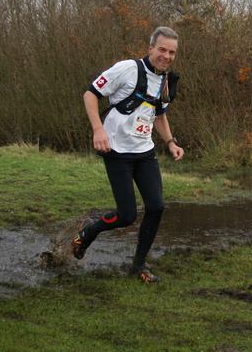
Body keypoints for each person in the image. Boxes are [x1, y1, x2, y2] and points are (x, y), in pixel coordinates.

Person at [72, 26, 184, 284]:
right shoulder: (127, 69)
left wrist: (170, 142)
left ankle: (138, 266)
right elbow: (90, 94)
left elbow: (159, 114)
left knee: (156, 207)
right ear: (150, 49)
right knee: (127, 216)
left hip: (145, 152)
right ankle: (91, 228)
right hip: (116, 151)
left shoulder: (166, 81)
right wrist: (97, 130)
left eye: (172, 52)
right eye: (162, 50)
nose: (166, 56)